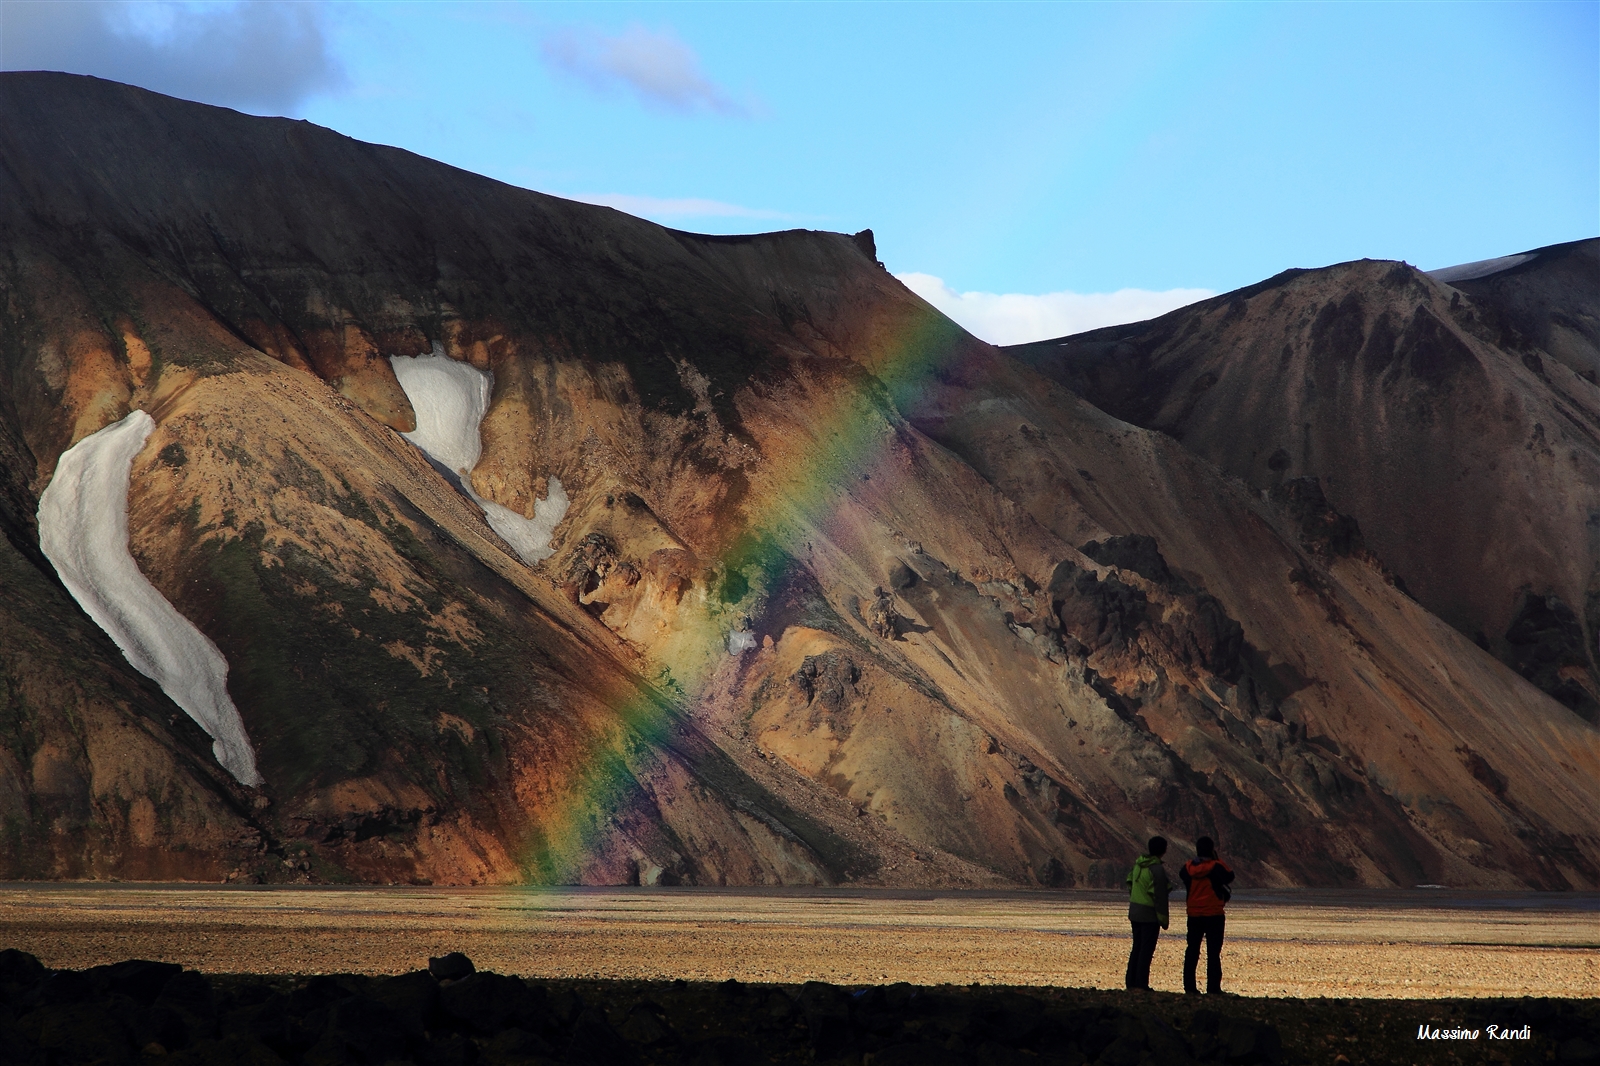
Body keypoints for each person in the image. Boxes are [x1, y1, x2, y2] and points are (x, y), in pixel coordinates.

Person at [1179, 836, 1235, 995]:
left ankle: (1189, 987)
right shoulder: (1216, 866)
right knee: (1213, 952)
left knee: (1192, 950)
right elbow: (1230, 876)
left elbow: (1181, 875)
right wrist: (1217, 859)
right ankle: (1213, 988)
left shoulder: (1188, 868)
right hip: (1213, 913)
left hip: (1194, 913)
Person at [1124, 836, 1170, 990]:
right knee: (1146, 949)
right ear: (1163, 851)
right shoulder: (1157, 869)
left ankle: (1131, 982)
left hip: (1135, 912)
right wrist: (1163, 919)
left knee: (1137, 947)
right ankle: (1141, 984)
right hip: (1149, 915)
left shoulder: (1138, 865)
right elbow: (1160, 897)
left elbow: (1130, 884)